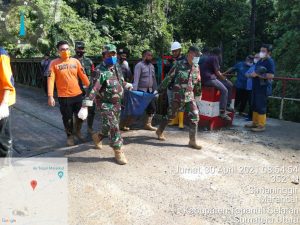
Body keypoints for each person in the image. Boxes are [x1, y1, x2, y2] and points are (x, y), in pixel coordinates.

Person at [79, 44, 133, 165]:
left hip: (117, 103)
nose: (112, 56)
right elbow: (93, 89)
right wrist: (85, 106)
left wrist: (125, 85)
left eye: (114, 54)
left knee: (108, 126)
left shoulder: (117, 66)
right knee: (114, 126)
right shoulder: (99, 70)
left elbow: (121, 80)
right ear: (104, 55)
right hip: (104, 103)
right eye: (109, 54)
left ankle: (98, 136)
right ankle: (118, 150)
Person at [156, 46, 202, 149]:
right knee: (171, 115)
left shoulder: (196, 66)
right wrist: (159, 90)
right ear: (190, 54)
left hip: (189, 96)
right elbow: (169, 78)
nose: (198, 57)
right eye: (197, 55)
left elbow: (198, 81)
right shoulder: (179, 64)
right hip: (177, 95)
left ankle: (192, 141)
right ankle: (160, 130)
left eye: (199, 56)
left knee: (195, 115)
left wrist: (198, 94)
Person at [47, 40, 90, 146]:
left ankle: (78, 131)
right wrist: (50, 96)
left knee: (81, 116)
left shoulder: (75, 62)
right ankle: (70, 136)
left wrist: (91, 89)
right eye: (62, 49)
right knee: (68, 118)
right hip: (64, 97)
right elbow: (50, 80)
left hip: (78, 95)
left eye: (67, 49)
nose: (65, 51)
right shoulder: (54, 63)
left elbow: (83, 76)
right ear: (58, 51)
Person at [245, 44, 275, 132]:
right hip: (256, 86)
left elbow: (271, 75)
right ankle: (255, 122)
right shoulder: (260, 61)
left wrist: (258, 75)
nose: (261, 52)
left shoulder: (270, 61)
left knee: (261, 105)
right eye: (260, 50)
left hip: (263, 87)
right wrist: (251, 74)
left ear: (269, 52)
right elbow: (255, 71)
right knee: (254, 104)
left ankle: (261, 125)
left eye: (263, 51)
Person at [201, 47, 234, 121]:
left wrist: (224, 79)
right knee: (225, 90)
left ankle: (227, 105)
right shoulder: (214, 58)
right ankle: (222, 112)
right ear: (219, 54)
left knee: (228, 85)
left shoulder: (209, 57)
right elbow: (218, 73)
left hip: (206, 79)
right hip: (209, 79)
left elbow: (215, 72)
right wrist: (226, 79)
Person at [132, 50, 158, 131]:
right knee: (136, 109)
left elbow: (154, 79)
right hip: (140, 91)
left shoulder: (151, 66)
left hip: (150, 91)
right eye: (148, 55)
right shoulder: (139, 65)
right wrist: (135, 92)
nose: (150, 57)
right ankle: (125, 123)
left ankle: (148, 124)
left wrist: (156, 90)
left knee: (152, 108)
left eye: (151, 55)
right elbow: (136, 79)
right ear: (144, 56)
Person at [73, 41, 95, 134]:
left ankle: (90, 128)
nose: (80, 50)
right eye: (78, 48)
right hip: (76, 90)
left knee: (91, 110)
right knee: (78, 112)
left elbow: (93, 74)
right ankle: (77, 130)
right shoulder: (71, 61)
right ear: (75, 49)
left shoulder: (89, 61)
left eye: (82, 48)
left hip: (88, 91)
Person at [0, 47, 16, 158]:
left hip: (2, 102)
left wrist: (4, 104)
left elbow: (7, 82)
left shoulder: (1, 55)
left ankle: (5, 168)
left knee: (3, 139)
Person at [166, 41, 186, 129]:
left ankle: (181, 123)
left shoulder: (185, 60)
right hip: (171, 85)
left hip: (180, 86)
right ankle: (174, 120)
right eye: (173, 51)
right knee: (171, 103)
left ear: (180, 50)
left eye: (176, 51)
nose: (174, 53)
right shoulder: (170, 61)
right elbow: (168, 74)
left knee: (181, 104)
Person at [245, 53, 260, 121]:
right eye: (255, 57)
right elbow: (246, 74)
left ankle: (251, 117)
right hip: (249, 87)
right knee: (250, 102)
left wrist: (250, 75)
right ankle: (250, 116)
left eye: (257, 57)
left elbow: (254, 75)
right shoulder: (253, 66)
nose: (255, 59)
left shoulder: (259, 66)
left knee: (253, 103)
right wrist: (250, 75)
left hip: (254, 88)